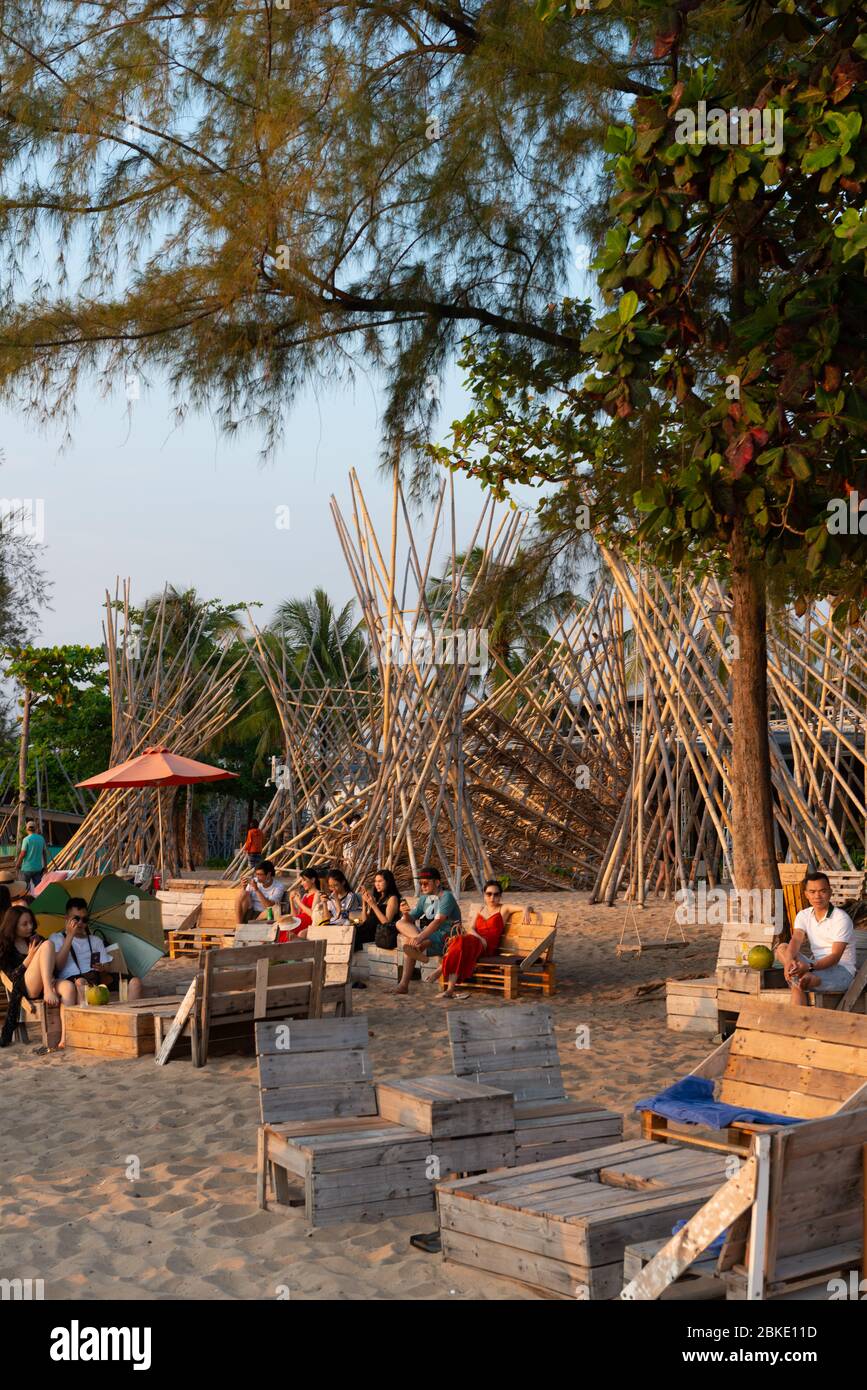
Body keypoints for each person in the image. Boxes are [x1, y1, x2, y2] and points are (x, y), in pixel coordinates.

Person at [775, 870, 856, 1006]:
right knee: (782, 948)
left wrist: (809, 967)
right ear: (806, 894)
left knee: (802, 979)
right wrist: (788, 963)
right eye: (812, 892)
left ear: (830, 893)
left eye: (822, 891)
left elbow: (835, 956)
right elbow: (796, 940)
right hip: (815, 968)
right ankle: (803, 979)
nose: (817, 896)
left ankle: (807, 981)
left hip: (841, 971)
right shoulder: (804, 915)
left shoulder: (841, 918)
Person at [50, 898, 143, 1006]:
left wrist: (102, 968)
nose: (80, 923)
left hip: (96, 977)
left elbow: (107, 966)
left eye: (84, 920)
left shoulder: (95, 940)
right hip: (74, 979)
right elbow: (58, 966)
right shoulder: (57, 938)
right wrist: (70, 936)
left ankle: (130, 1016)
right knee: (81, 983)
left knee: (135, 982)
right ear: (67, 919)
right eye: (76, 919)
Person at [0, 904, 62, 1048]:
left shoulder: (35, 938)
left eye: (31, 922)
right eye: (24, 924)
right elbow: (11, 978)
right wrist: (30, 958)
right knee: (47, 945)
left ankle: (65, 1037)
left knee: (69, 988)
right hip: (25, 989)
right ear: (13, 925)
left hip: (45, 981)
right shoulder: (4, 944)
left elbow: (52, 965)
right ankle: (48, 989)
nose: (30, 927)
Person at [393, 866, 461, 996]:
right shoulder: (424, 899)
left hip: (448, 939)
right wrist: (405, 913)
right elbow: (410, 919)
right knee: (400, 923)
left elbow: (437, 922)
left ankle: (403, 984)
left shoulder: (446, 897)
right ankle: (417, 949)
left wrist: (419, 938)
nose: (422, 886)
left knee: (410, 942)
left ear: (437, 882)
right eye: (420, 883)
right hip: (429, 937)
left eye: (425, 883)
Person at [435, 879, 505, 1000]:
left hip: (486, 948)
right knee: (459, 942)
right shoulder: (480, 910)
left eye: (496, 894)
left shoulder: (503, 909)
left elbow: (525, 907)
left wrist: (527, 910)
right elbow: (471, 928)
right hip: (475, 941)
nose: (492, 897)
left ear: (500, 896)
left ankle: (440, 971)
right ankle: (449, 990)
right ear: (484, 895)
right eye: (489, 894)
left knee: (459, 942)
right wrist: (479, 937)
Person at [356, 869, 402, 949]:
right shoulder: (378, 899)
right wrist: (364, 904)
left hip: (378, 934)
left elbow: (387, 923)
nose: (377, 884)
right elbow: (365, 921)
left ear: (388, 882)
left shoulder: (392, 898)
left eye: (380, 881)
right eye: (376, 881)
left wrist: (373, 906)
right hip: (367, 931)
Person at [283, 868, 326, 940]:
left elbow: (313, 915)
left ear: (312, 880)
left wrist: (299, 902)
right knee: (282, 930)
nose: (302, 883)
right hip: (298, 922)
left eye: (304, 880)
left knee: (287, 933)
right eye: (301, 881)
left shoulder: (318, 894)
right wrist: (291, 901)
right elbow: (295, 916)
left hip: (308, 923)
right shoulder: (305, 895)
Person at [15, 819, 48, 892]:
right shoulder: (41, 839)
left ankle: (27, 902)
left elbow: (23, 854)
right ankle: (38, 901)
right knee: (38, 889)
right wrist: (45, 866)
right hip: (38, 869)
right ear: (35, 829)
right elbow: (44, 853)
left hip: (27, 869)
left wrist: (18, 864)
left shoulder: (26, 839)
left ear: (27, 829)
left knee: (24, 889)